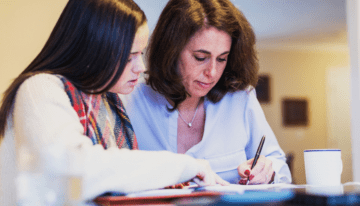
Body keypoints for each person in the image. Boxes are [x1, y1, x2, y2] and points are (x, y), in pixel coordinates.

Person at [0, 0, 228, 204]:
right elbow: (73, 169)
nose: (141, 68)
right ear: (94, 49)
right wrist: (184, 166)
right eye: (129, 57)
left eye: (141, 54)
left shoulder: (110, 102)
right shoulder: (40, 89)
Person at [125, 0, 292, 185]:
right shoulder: (130, 98)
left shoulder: (240, 99)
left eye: (222, 59)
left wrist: (268, 171)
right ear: (170, 50)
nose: (212, 72)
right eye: (200, 57)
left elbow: (280, 167)